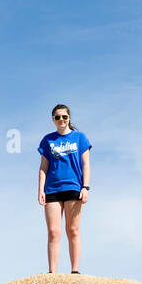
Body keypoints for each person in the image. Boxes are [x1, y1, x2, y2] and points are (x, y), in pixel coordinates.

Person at [37, 103, 92, 273]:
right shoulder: (48, 140)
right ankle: (52, 272)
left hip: (73, 188)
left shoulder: (80, 138)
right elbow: (43, 167)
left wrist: (86, 187)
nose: (61, 120)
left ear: (69, 119)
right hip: (52, 189)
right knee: (54, 232)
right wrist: (40, 190)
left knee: (73, 230)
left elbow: (86, 165)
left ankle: (74, 271)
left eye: (64, 117)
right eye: (57, 117)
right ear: (53, 120)